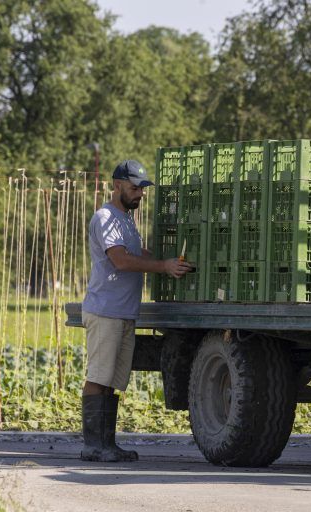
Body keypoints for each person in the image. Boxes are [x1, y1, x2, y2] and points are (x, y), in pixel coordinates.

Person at [80, 159, 192, 462]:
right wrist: (162, 267)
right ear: (117, 186)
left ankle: (107, 444)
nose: (140, 194)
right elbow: (121, 260)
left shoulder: (126, 219)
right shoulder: (105, 218)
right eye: (135, 188)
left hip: (123, 312)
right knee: (99, 378)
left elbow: (136, 253)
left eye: (142, 189)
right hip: (105, 311)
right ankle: (93, 446)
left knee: (113, 382)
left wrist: (167, 262)